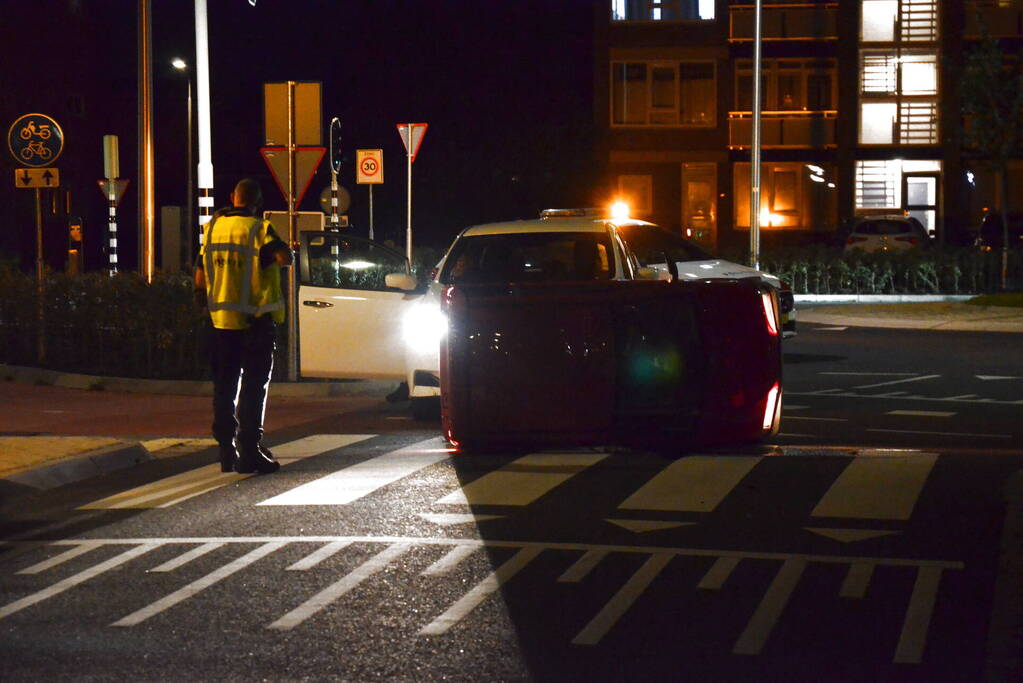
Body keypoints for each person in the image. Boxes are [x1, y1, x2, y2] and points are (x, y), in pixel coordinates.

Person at [194, 178, 293, 474]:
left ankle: (226, 449)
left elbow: (200, 274)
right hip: (255, 322)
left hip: (220, 321)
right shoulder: (260, 229)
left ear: (232, 198)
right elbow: (283, 257)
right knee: (253, 386)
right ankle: (249, 449)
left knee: (224, 387)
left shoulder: (213, 228)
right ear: (257, 202)